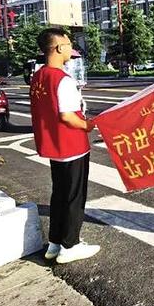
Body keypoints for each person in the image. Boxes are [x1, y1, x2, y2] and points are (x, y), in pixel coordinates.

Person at [30, 27, 100, 264]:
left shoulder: (39, 76)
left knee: (59, 194)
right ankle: (70, 245)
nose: (72, 48)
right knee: (74, 197)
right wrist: (87, 125)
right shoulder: (62, 79)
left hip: (54, 146)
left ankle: (55, 243)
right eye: (69, 44)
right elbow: (68, 116)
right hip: (71, 145)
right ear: (59, 48)